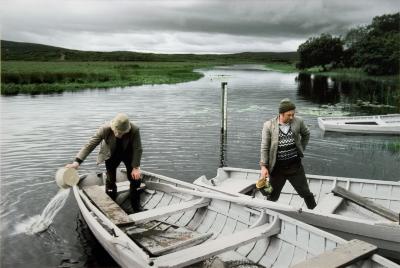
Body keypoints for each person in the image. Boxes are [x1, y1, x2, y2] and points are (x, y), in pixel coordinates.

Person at [66, 113, 143, 212]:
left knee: (135, 179)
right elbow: (90, 145)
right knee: (111, 180)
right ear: (112, 127)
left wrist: (136, 167)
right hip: (111, 154)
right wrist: (77, 162)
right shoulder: (104, 129)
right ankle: (111, 206)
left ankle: (136, 207)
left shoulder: (135, 129)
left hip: (128, 153)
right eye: (117, 132)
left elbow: (138, 148)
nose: (119, 135)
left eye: (122, 133)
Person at [259, 98, 316, 209]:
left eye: (293, 114)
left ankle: (315, 212)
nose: (291, 117)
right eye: (289, 115)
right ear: (281, 114)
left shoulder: (298, 121)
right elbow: (265, 147)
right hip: (277, 168)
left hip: (295, 166)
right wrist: (263, 167)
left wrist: (301, 148)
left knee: (305, 192)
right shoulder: (269, 125)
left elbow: (306, 134)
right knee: (272, 195)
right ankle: (268, 213)